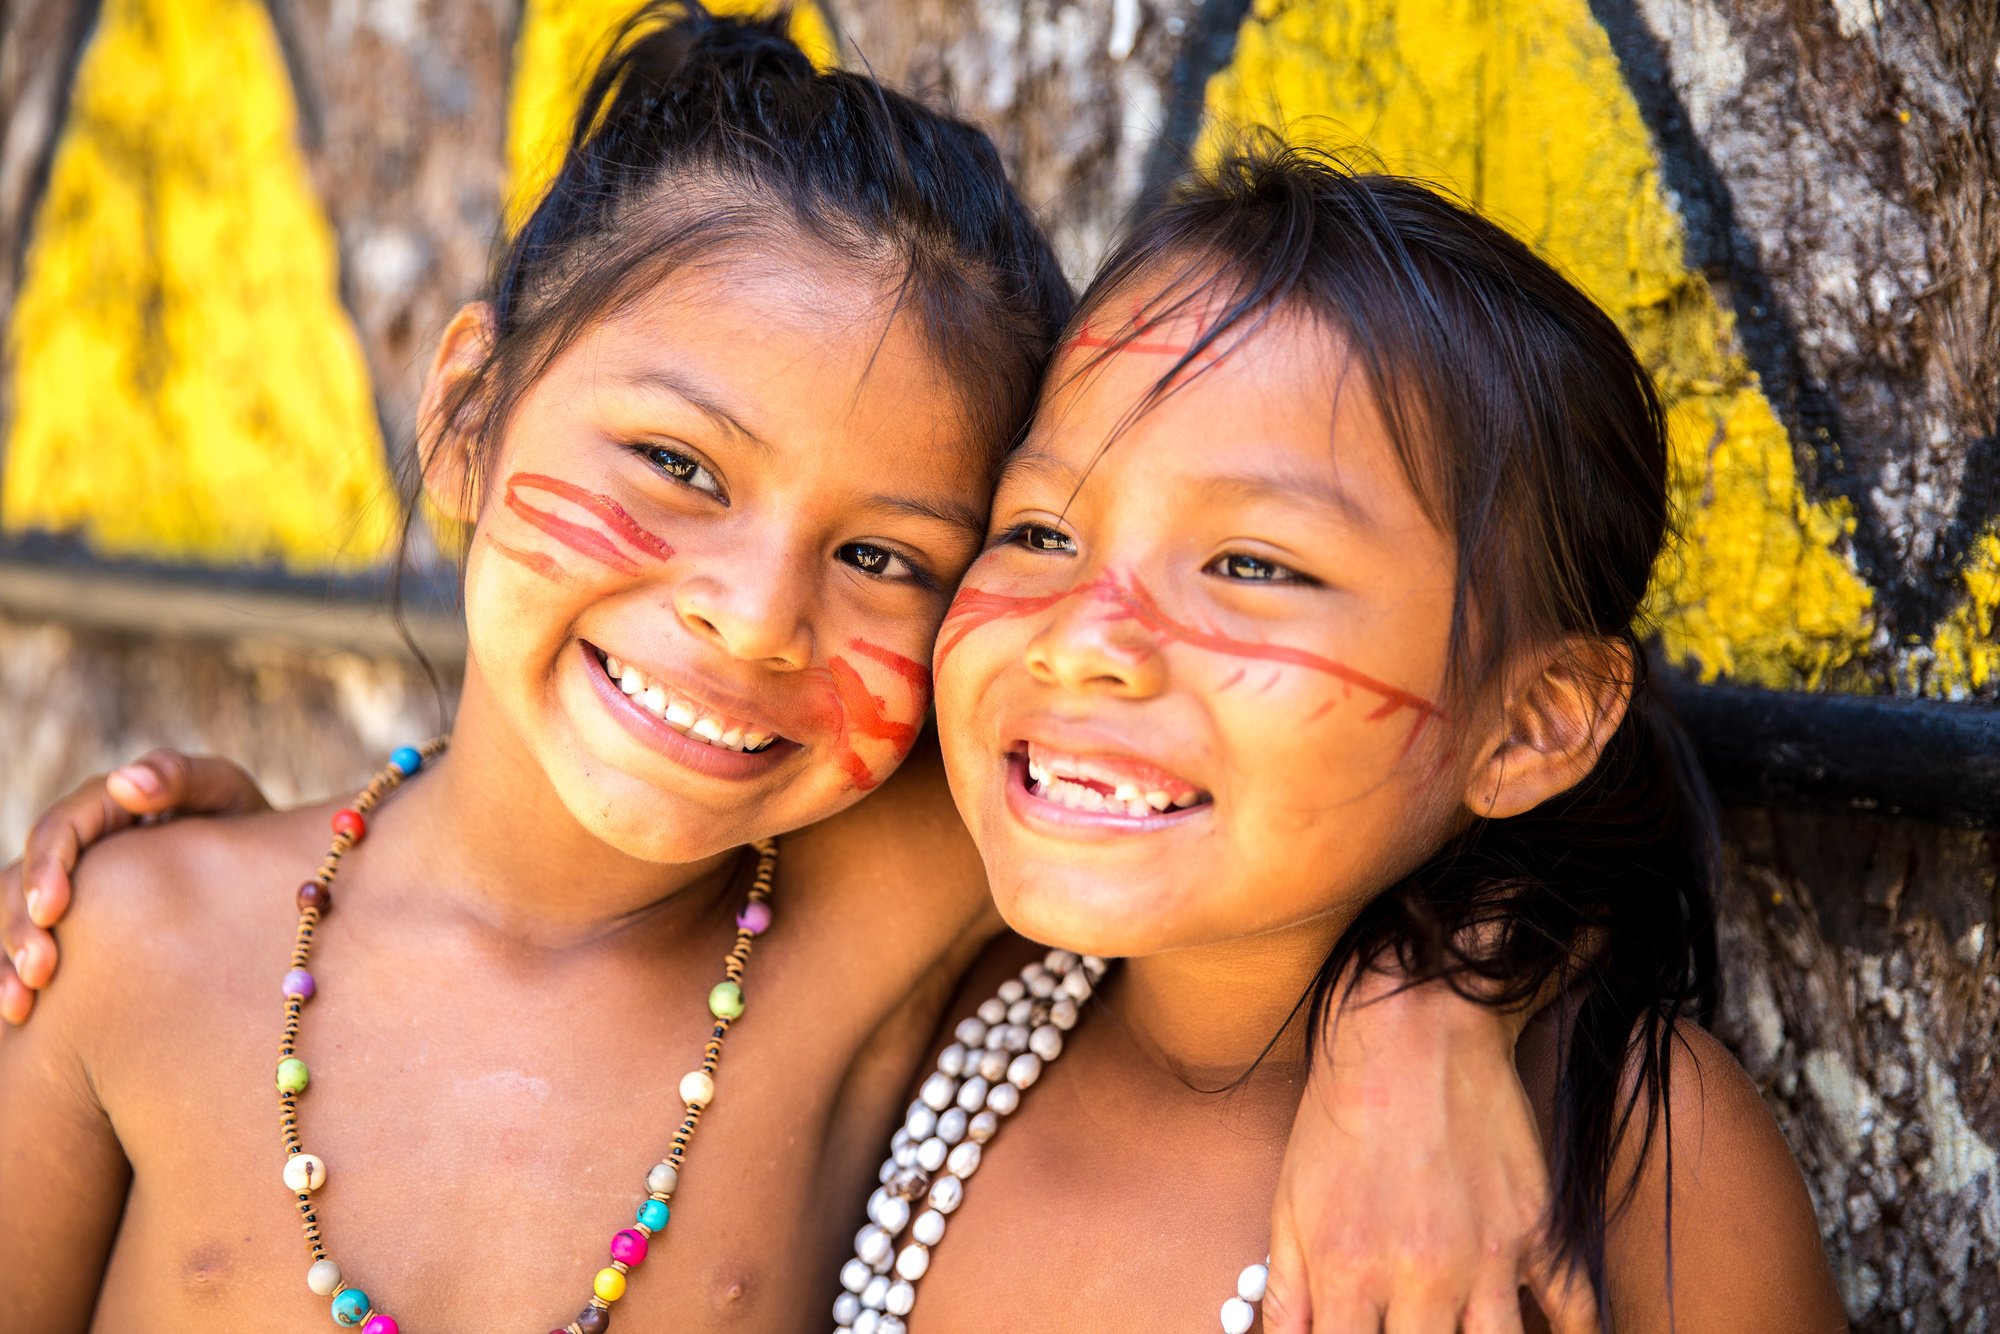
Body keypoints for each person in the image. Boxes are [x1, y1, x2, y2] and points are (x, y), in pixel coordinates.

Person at [0, 7, 1588, 1332]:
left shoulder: (912, 894)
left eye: (889, 555)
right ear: (469, 414)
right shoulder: (127, 946)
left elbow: (1414, 788)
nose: (758, 617)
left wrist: (1426, 1018)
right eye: (678, 464)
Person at [828, 148, 1848, 1332]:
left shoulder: (1633, 1155)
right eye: (1040, 532)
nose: (1083, 636)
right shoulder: (914, 989)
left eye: (1253, 565)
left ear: (1531, 722)